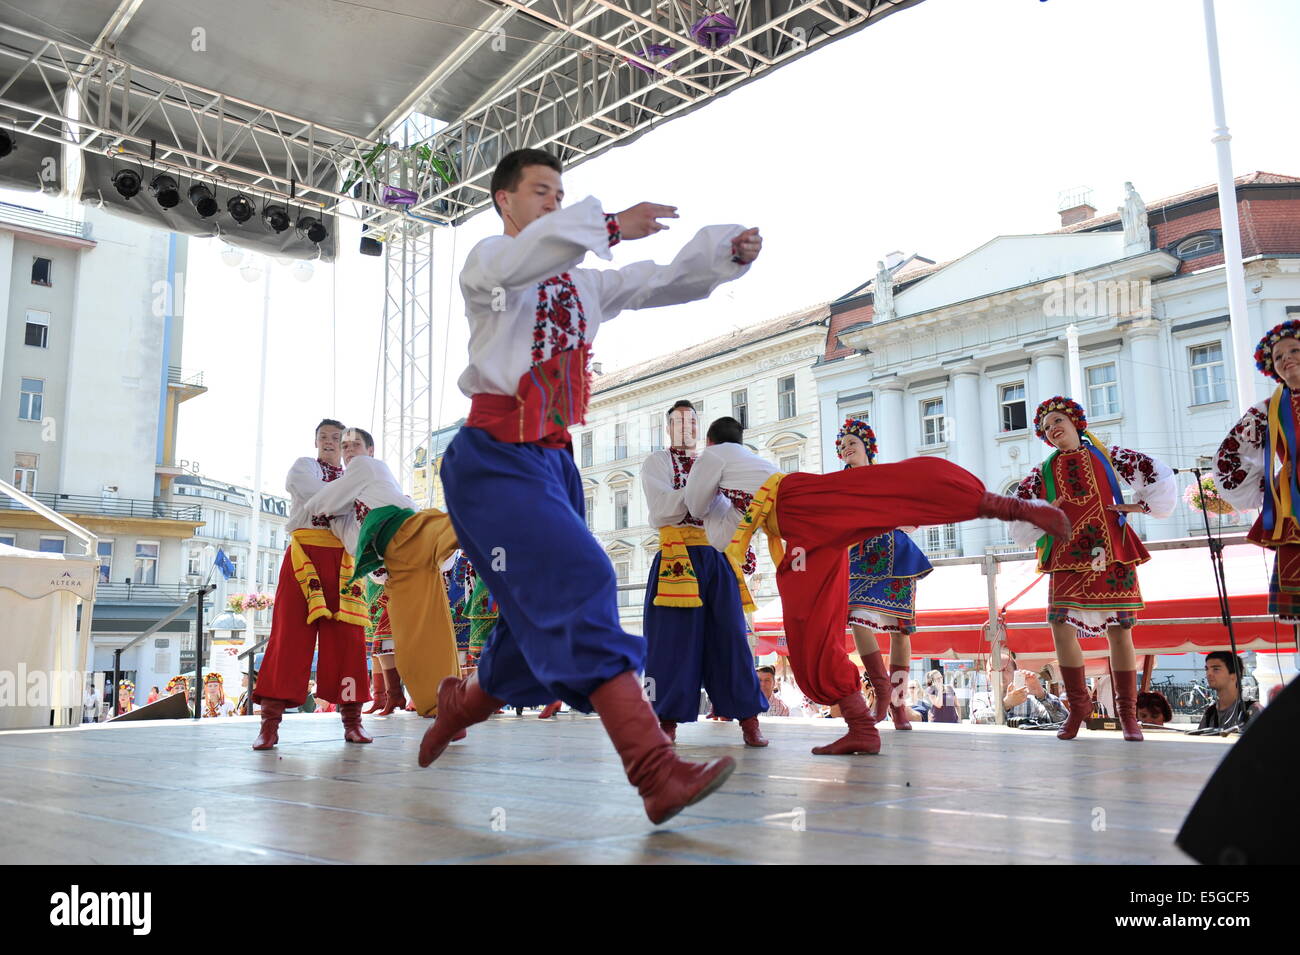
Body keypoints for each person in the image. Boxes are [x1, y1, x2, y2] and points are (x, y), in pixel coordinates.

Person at [421, 147, 762, 824]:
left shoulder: (583, 285)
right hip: (491, 459)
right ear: (504, 201)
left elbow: (659, 279)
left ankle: (457, 705)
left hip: (552, 463)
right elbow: (527, 260)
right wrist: (605, 224)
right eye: (540, 191)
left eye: (559, 192)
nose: (552, 201)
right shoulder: (488, 266)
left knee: (527, 633)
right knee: (582, 579)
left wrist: (727, 252)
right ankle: (654, 770)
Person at [684, 415, 1069, 755]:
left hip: (799, 514)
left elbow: (696, 504)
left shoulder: (713, 456)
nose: (847, 448)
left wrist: (710, 494)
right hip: (806, 523)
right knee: (890, 494)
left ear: (711, 442)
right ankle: (865, 723)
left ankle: (872, 716)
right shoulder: (754, 462)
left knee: (809, 624)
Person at [1008, 397, 1176, 742]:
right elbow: (1020, 519)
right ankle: (1079, 706)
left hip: (1109, 548)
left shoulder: (1107, 454)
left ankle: (1127, 713)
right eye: (1046, 427)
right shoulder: (1043, 471)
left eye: (1057, 421)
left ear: (1075, 422)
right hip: (1067, 552)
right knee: (1059, 622)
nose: (1052, 429)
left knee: (1120, 627)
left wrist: (1138, 505)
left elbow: (1154, 473)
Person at [314, 427, 464, 718]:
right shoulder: (349, 494)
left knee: (460, 525)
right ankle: (439, 702)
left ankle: (505, 511)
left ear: (370, 451)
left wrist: (314, 508)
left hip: (411, 533)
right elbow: (351, 540)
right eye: (345, 446)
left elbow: (322, 504)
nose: (348, 449)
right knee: (416, 637)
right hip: (399, 566)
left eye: (355, 444)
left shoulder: (366, 467)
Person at [642, 400, 768, 746]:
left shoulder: (713, 461)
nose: (688, 429)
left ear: (701, 430)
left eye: (693, 423)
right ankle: (665, 722)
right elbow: (662, 508)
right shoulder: (657, 461)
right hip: (675, 556)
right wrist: (702, 493)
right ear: (667, 429)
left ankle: (749, 719)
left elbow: (726, 510)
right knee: (671, 642)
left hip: (715, 557)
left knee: (730, 638)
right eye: (680, 423)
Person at [252, 419, 372, 750]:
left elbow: (359, 517)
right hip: (304, 554)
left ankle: (352, 721)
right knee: (289, 636)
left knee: (348, 640)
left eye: (339, 438)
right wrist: (352, 497)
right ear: (316, 441)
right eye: (325, 437)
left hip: (343, 562)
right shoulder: (304, 467)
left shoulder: (353, 477)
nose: (332, 442)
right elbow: (321, 501)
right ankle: (270, 724)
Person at [837, 417, 932, 730]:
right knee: (857, 617)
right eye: (842, 445)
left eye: (852, 442)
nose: (846, 448)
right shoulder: (839, 484)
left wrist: (901, 524)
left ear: (866, 446)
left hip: (897, 557)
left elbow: (916, 507)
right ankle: (881, 691)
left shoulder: (888, 476)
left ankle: (899, 705)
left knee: (901, 631)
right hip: (859, 558)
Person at [1214, 320, 1300, 630]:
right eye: (1278, 356)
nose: (1286, 358)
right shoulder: (1268, 410)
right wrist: (1271, 483)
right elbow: (1229, 457)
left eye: (1293, 350)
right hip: (1296, 514)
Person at [1197, 651, 1262, 731]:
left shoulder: (1251, 710)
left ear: (1234, 676)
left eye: (1216, 669)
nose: (1208, 673)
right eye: (1207, 669)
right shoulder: (1210, 712)